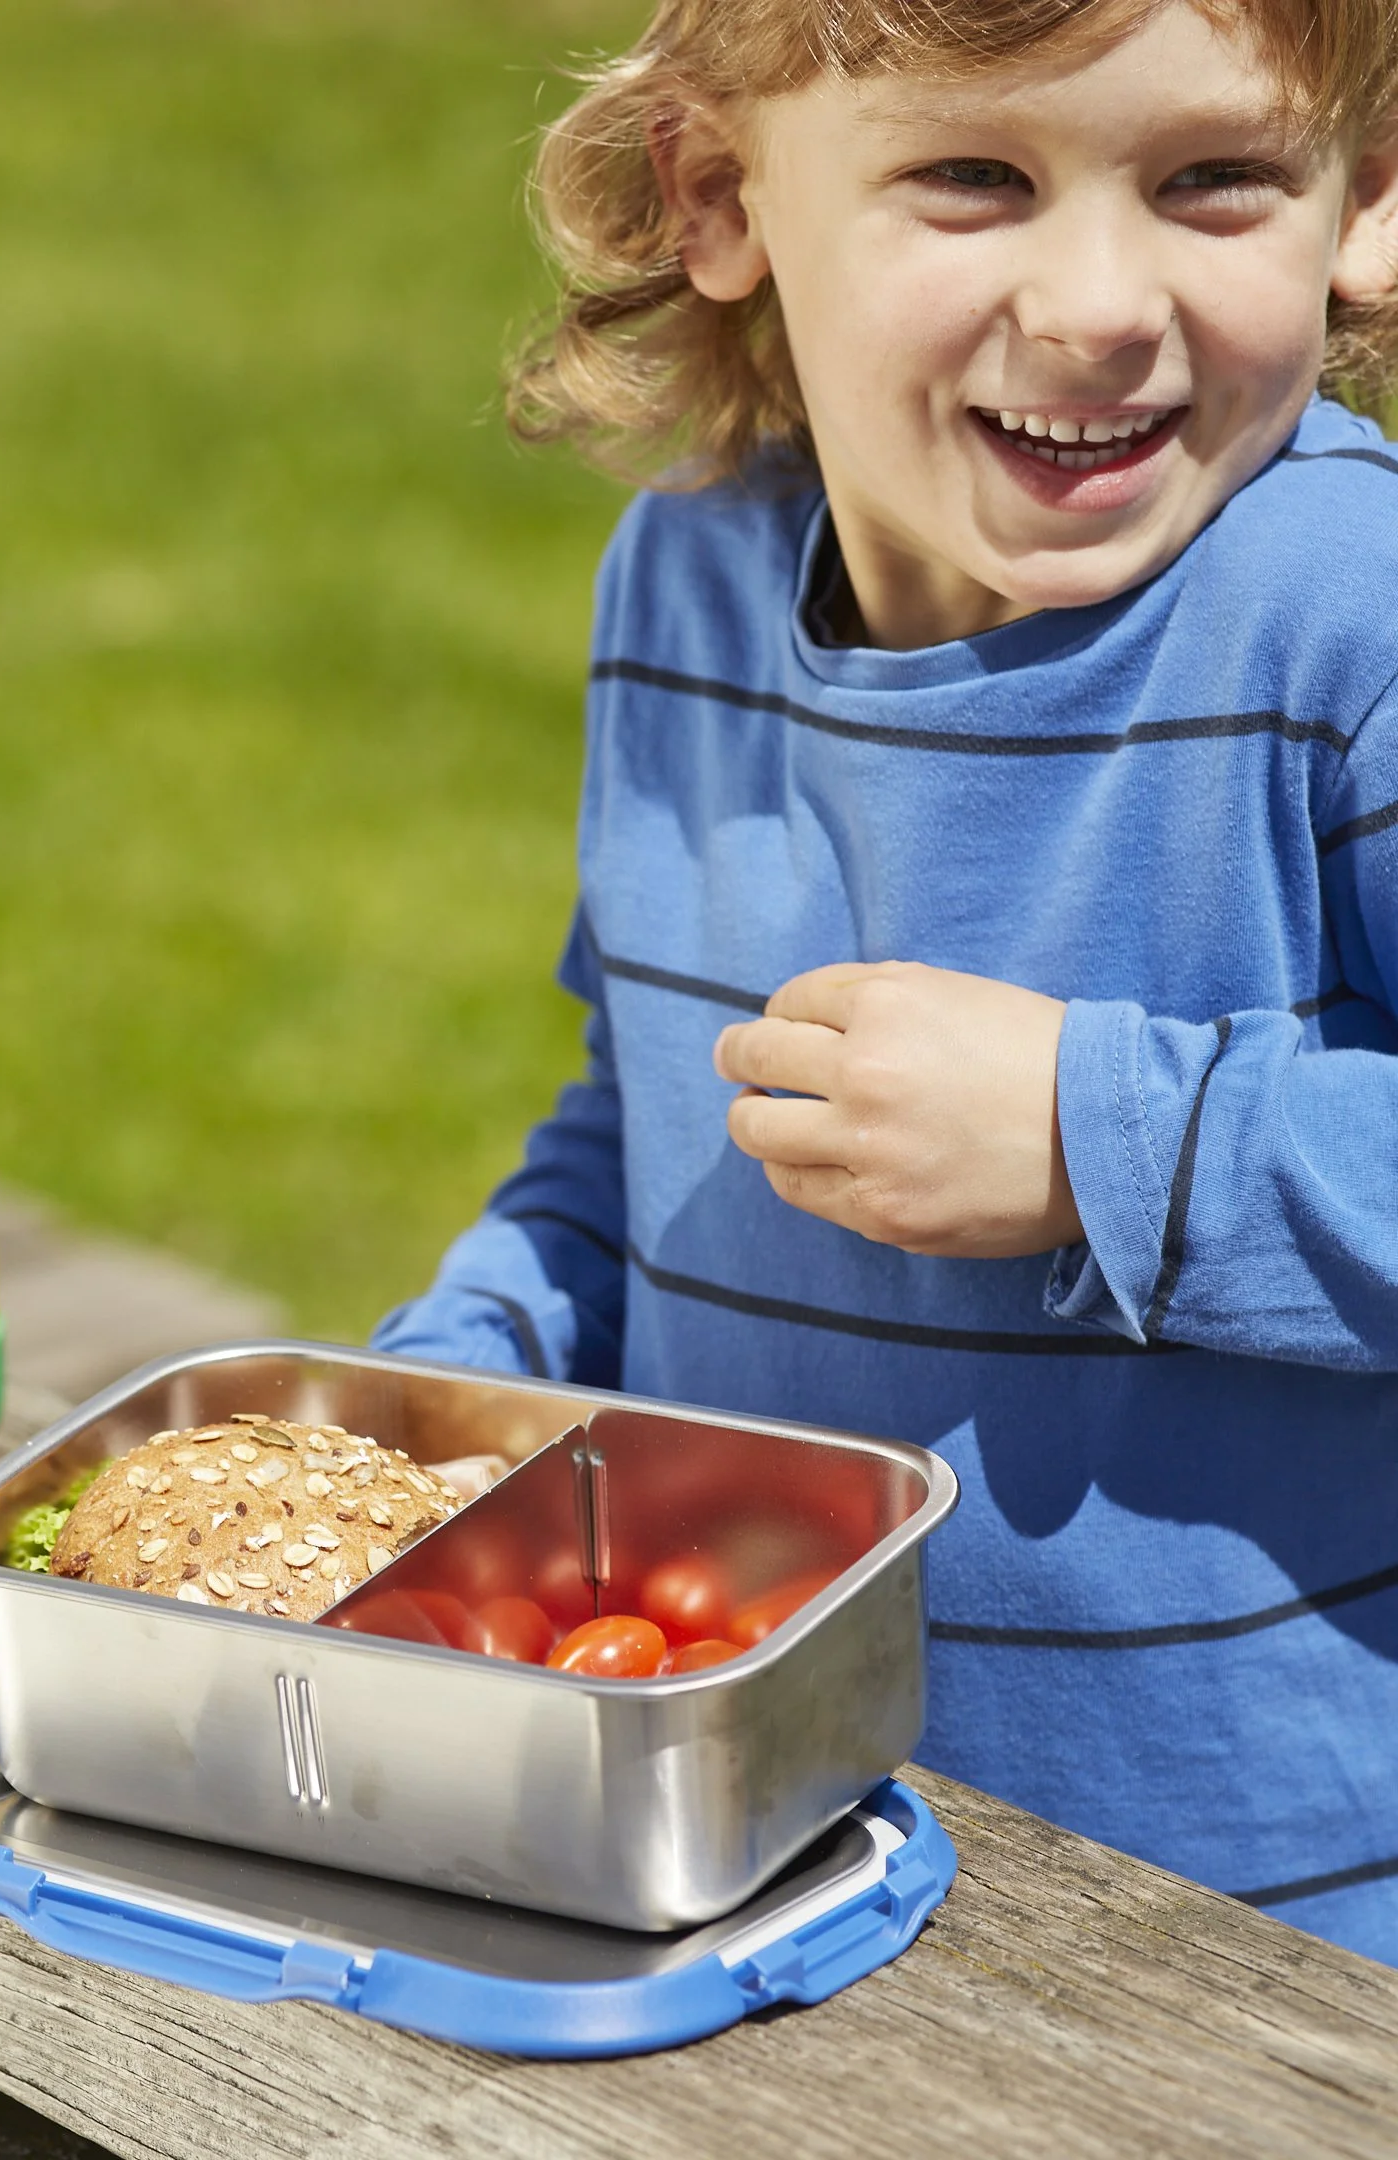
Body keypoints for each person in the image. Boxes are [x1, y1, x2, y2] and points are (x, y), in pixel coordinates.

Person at [371, 0, 1398, 1963]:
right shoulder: (679, 580)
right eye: (974, 178)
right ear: (716, 192)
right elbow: (652, 1118)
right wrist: (465, 1374)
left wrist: (1110, 1147)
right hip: (760, 1848)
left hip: (1259, 1949)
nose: (1101, 300)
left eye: (1213, 181)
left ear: (1367, 199)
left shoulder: (1353, 623)